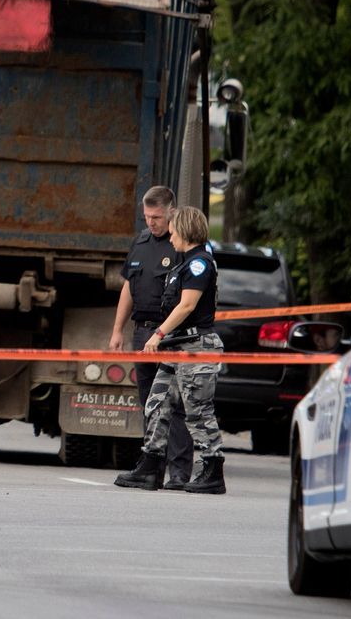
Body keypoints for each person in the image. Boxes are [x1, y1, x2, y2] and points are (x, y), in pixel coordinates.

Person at [114, 205, 226, 495]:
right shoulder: (184, 264)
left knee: (197, 411)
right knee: (157, 404)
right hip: (175, 348)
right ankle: (150, 467)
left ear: (185, 231)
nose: (171, 236)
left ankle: (212, 469)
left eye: (174, 232)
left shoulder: (199, 263)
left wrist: (158, 333)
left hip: (195, 348)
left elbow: (187, 305)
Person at [109, 186, 194, 489]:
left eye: (156, 217)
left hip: (170, 334)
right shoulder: (141, 242)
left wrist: (164, 333)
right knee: (150, 404)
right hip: (142, 331)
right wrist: (118, 329)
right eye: (147, 216)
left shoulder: (183, 244)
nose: (151, 222)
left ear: (172, 211)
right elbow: (129, 287)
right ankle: (151, 469)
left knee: (175, 404)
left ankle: (180, 472)